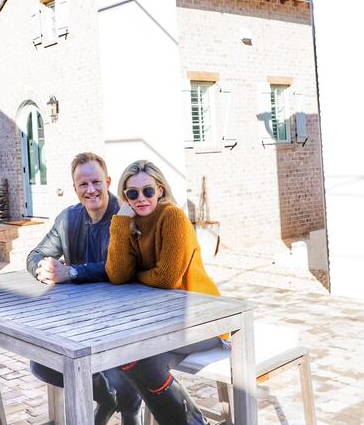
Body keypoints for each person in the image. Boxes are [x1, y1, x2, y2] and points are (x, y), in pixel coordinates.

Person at [26, 151, 142, 425]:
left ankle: (128, 409)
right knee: (42, 363)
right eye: (83, 184)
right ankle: (105, 397)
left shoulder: (125, 215)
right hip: (79, 323)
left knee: (124, 375)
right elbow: (34, 255)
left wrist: (73, 272)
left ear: (108, 181)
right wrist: (44, 269)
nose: (91, 190)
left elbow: (120, 267)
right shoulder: (68, 219)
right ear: (75, 188)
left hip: (123, 321)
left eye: (96, 182)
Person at [106, 160, 225, 425]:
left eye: (148, 190)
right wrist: (120, 223)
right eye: (132, 193)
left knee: (142, 360)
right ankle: (195, 421)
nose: (141, 198)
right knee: (128, 358)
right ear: (124, 197)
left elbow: (166, 278)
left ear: (160, 190)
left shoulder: (171, 216)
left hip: (203, 317)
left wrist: (135, 277)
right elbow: (116, 275)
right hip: (166, 323)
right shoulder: (131, 224)